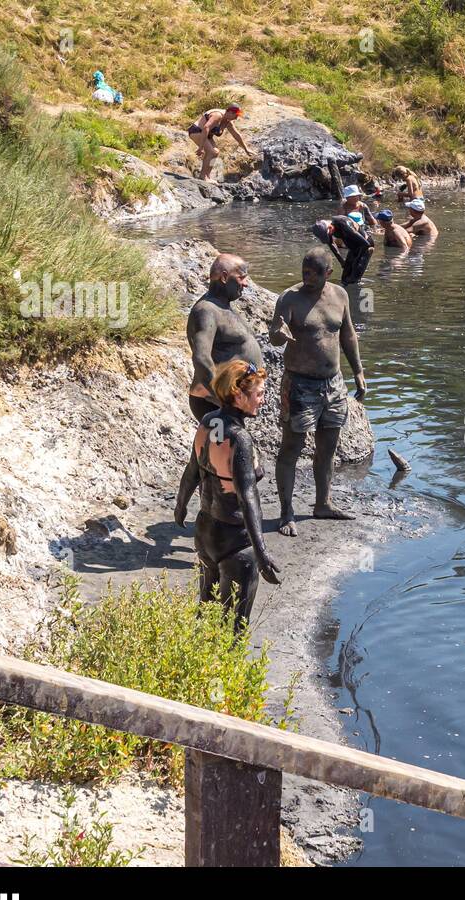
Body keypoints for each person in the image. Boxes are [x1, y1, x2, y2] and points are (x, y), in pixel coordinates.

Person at [174, 359, 282, 632]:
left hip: (205, 532)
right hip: (236, 543)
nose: (263, 400)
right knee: (234, 628)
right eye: (258, 394)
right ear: (238, 394)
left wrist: (181, 505)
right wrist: (262, 553)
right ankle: (225, 672)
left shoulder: (208, 423)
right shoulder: (239, 439)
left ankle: (195, 668)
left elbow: (192, 472)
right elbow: (248, 500)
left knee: (206, 614)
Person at [269, 247, 368, 533]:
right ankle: (286, 512)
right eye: (304, 271)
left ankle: (323, 503)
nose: (306, 277)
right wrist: (278, 333)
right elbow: (275, 335)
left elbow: (348, 334)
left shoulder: (340, 295)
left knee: (328, 446)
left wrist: (359, 372)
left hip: (334, 383)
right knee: (291, 447)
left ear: (328, 273)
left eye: (313, 273)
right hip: (300, 384)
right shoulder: (290, 298)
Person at [186, 254, 264, 421]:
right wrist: (223, 400)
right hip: (212, 404)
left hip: (226, 403)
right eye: (241, 277)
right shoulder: (206, 310)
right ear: (224, 277)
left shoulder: (222, 306)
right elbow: (201, 357)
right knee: (220, 445)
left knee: (224, 445)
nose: (245, 283)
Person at [187, 103, 252, 181]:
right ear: (230, 112)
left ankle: (207, 176)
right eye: (236, 115)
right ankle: (202, 176)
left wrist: (246, 149)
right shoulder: (218, 115)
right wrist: (200, 147)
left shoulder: (227, 121)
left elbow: (236, 135)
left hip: (206, 135)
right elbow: (206, 127)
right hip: (197, 131)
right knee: (211, 152)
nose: (236, 118)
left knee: (216, 152)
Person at [311, 216, 373, 286]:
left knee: (353, 279)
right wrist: (342, 262)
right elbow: (331, 244)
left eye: (328, 235)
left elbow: (366, 244)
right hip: (353, 248)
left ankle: (356, 292)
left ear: (330, 228)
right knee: (344, 279)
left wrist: (356, 262)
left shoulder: (344, 225)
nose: (329, 237)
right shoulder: (326, 230)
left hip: (365, 247)